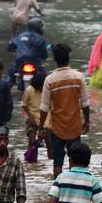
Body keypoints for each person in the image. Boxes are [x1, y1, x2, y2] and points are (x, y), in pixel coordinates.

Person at [38, 43, 89, 179]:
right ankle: (74, 186)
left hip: (57, 127)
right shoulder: (78, 77)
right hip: (74, 126)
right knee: (76, 160)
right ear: (68, 58)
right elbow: (85, 103)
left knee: (58, 162)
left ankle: (58, 190)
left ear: (55, 59)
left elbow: (44, 107)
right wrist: (87, 121)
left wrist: (41, 126)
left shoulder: (50, 80)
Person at [7, 17, 48, 87]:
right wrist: (44, 57)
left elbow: (10, 45)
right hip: (35, 63)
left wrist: (13, 50)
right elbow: (44, 53)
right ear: (39, 28)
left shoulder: (20, 35)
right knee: (44, 80)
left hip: (20, 62)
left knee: (11, 75)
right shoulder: (40, 38)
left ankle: (4, 91)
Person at [21, 70, 51, 162]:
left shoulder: (48, 90)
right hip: (32, 120)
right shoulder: (29, 90)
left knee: (50, 144)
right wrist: (30, 117)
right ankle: (31, 162)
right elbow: (24, 105)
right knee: (32, 142)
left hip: (46, 120)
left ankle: (51, 162)